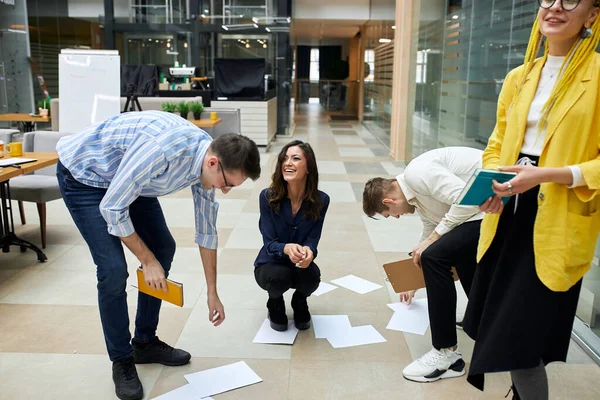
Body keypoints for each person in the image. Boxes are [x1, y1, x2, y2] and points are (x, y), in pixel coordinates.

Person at [56, 111, 261, 400]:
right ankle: (122, 360)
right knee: (113, 269)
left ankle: (144, 342)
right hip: (85, 175)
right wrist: (147, 260)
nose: (224, 191)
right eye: (227, 183)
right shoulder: (163, 150)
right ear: (213, 162)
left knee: (164, 246)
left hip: (126, 175)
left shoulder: (205, 161)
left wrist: (212, 292)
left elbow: (207, 230)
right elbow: (113, 208)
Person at [462, 1, 600, 398]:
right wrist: (491, 185)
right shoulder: (519, 77)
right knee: (510, 335)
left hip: (556, 217)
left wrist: (550, 175)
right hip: (509, 214)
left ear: (592, 15)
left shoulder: (597, 75)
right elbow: (496, 144)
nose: (555, 7)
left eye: (570, 0)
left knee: (517, 343)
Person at [362, 146, 484, 382]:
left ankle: (446, 354)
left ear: (389, 200)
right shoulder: (417, 197)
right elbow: (430, 228)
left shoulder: (417, 174)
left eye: (390, 213)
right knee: (446, 252)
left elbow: (470, 199)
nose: (396, 217)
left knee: (435, 256)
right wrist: (413, 280)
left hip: (497, 207)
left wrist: (433, 240)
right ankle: (483, 324)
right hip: (483, 213)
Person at [254, 140, 330, 331]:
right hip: (271, 263)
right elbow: (270, 243)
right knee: (279, 277)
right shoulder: (267, 197)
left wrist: (309, 252)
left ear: (308, 168)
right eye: (285, 159)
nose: (288, 163)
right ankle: (275, 302)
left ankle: (299, 301)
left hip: (299, 264)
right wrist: (286, 248)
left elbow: (313, 239)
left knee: (313, 277)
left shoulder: (321, 200)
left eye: (295, 158)